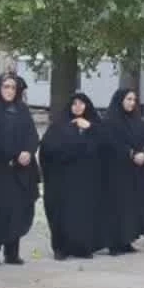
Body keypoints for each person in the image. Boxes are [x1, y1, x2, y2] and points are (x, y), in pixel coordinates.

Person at [0, 73, 40, 265]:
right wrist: (13, 154)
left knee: (18, 209)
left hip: (20, 171)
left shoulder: (21, 109)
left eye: (13, 87)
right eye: (6, 87)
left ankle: (12, 252)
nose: (10, 91)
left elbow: (32, 135)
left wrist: (28, 151)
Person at [40, 92, 103, 260]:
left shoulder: (95, 125)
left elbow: (105, 144)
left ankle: (82, 247)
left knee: (83, 213)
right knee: (62, 212)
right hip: (63, 178)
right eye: (74, 103)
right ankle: (61, 248)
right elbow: (48, 148)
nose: (78, 107)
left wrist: (89, 127)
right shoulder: (59, 125)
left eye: (81, 103)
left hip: (86, 178)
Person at [102, 89, 144, 256]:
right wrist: (131, 154)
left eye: (134, 100)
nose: (132, 103)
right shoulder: (110, 121)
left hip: (135, 172)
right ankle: (114, 243)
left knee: (131, 207)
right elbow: (111, 143)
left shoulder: (137, 120)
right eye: (128, 99)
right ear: (120, 100)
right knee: (117, 207)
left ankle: (127, 240)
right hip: (116, 171)